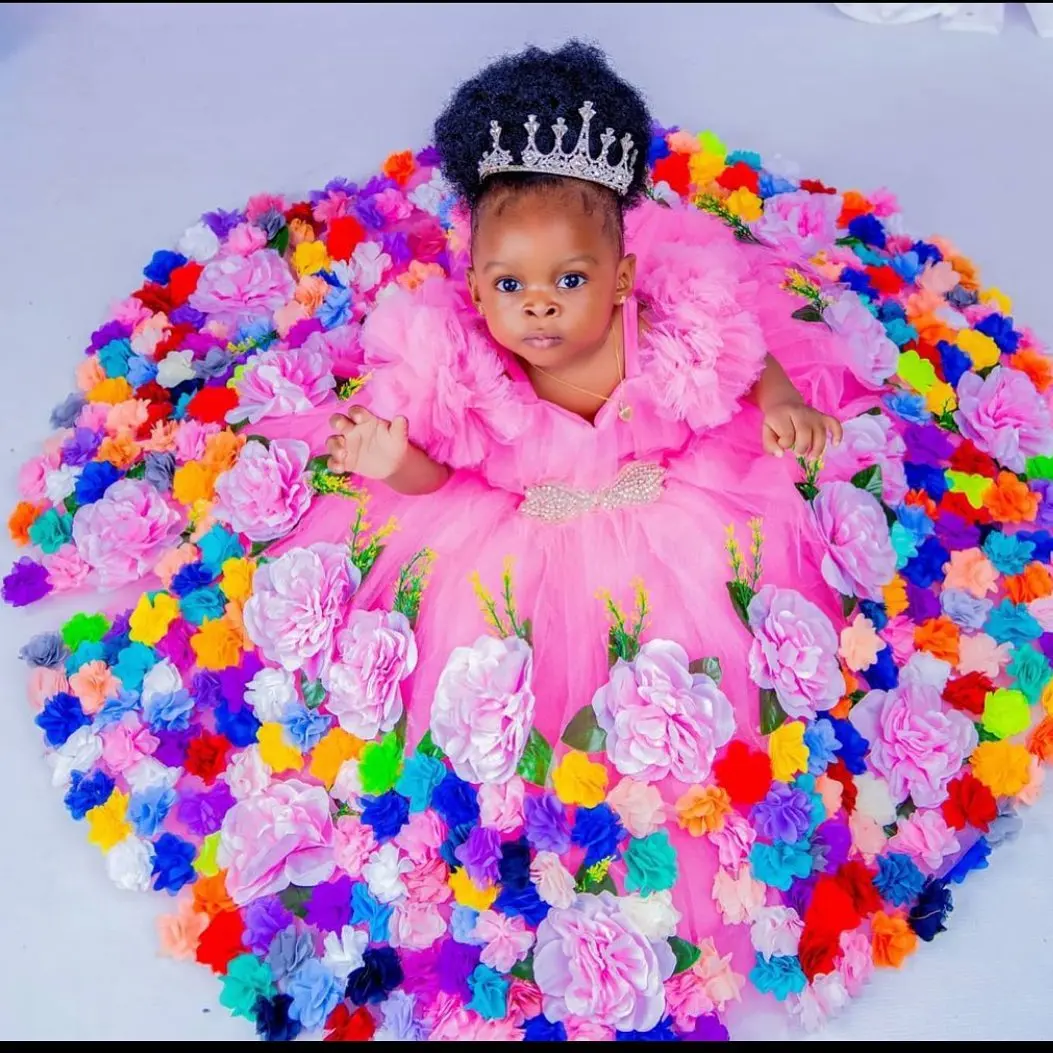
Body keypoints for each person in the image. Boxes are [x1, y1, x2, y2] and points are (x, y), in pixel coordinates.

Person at [10, 39, 1053, 1044]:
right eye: (510, 285)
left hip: (681, 509)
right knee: (495, 690)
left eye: (569, 280)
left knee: (737, 639)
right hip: (513, 535)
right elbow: (440, 473)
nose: (540, 306)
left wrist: (783, 404)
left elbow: (745, 364)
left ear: (620, 273)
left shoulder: (673, 318)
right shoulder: (461, 366)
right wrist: (388, 461)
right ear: (473, 283)